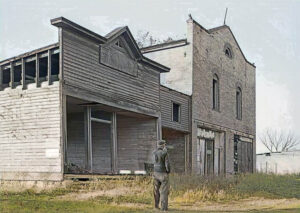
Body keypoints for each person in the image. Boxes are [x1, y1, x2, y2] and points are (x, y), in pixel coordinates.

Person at [153, 139, 170, 211]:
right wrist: (168, 171)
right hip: (163, 173)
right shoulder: (165, 153)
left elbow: (152, 163)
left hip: (155, 173)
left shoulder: (154, 152)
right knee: (164, 191)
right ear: (163, 145)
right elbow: (167, 164)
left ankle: (156, 206)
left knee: (156, 190)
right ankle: (163, 208)